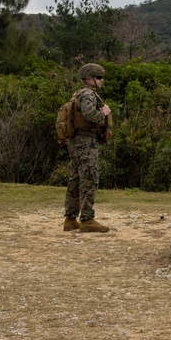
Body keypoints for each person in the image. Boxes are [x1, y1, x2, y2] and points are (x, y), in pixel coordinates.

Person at [63, 63, 113, 233]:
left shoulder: (78, 93)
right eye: (98, 77)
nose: (101, 80)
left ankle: (70, 219)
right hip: (86, 141)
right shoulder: (88, 95)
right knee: (90, 179)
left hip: (76, 141)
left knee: (75, 180)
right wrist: (104, 114)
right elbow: (89, 114)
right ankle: (87, 219)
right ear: (90, 78)